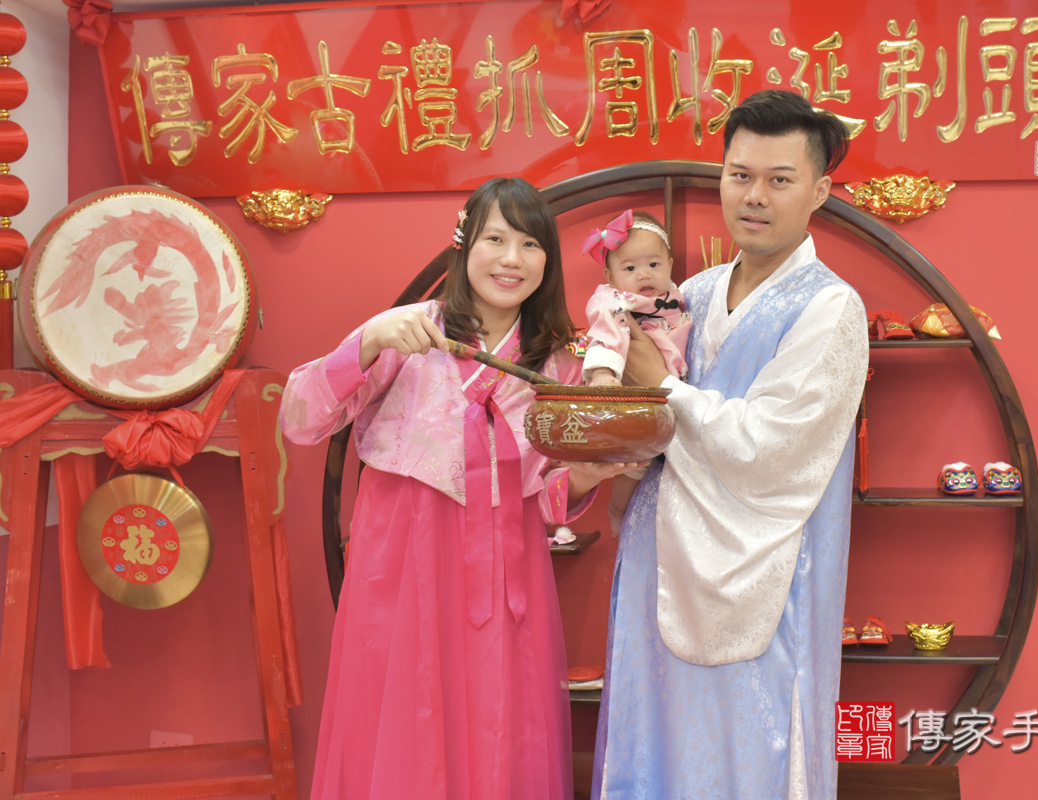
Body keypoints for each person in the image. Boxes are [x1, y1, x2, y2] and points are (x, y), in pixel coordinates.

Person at [280, 177, 637, 800]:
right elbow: (300, 420)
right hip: (402, 561)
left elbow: (546, 498)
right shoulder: (406, 331)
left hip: (509, 567)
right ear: (464, 245)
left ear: (548, 261)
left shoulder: (559, 362)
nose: (511, 259)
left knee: (503, 717)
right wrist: (367, 342)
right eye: (495, 239)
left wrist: (588, 475)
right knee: (405, 715)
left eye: (530, 244)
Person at [591, 90, 869, 799]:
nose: (754, 196)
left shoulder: (830, 307)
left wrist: (661, 387)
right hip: (657, 560)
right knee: (649, 745)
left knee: (747, 759)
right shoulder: (698, 290)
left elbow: (769, 449)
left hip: (755, 578)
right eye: (739, 174)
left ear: (819, 191)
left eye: (780, 179)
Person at [580, 209, 692, 533]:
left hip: (672, 391)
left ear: (670, 263)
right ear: (610, 275)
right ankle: (617, 509)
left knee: (670, 461)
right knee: (635, 464)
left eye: (654, 264)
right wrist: (604, 374)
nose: (644, 275)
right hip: (630, 392)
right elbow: (607, 334)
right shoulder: (615, 300)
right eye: (630, 268)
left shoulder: (677, 297)